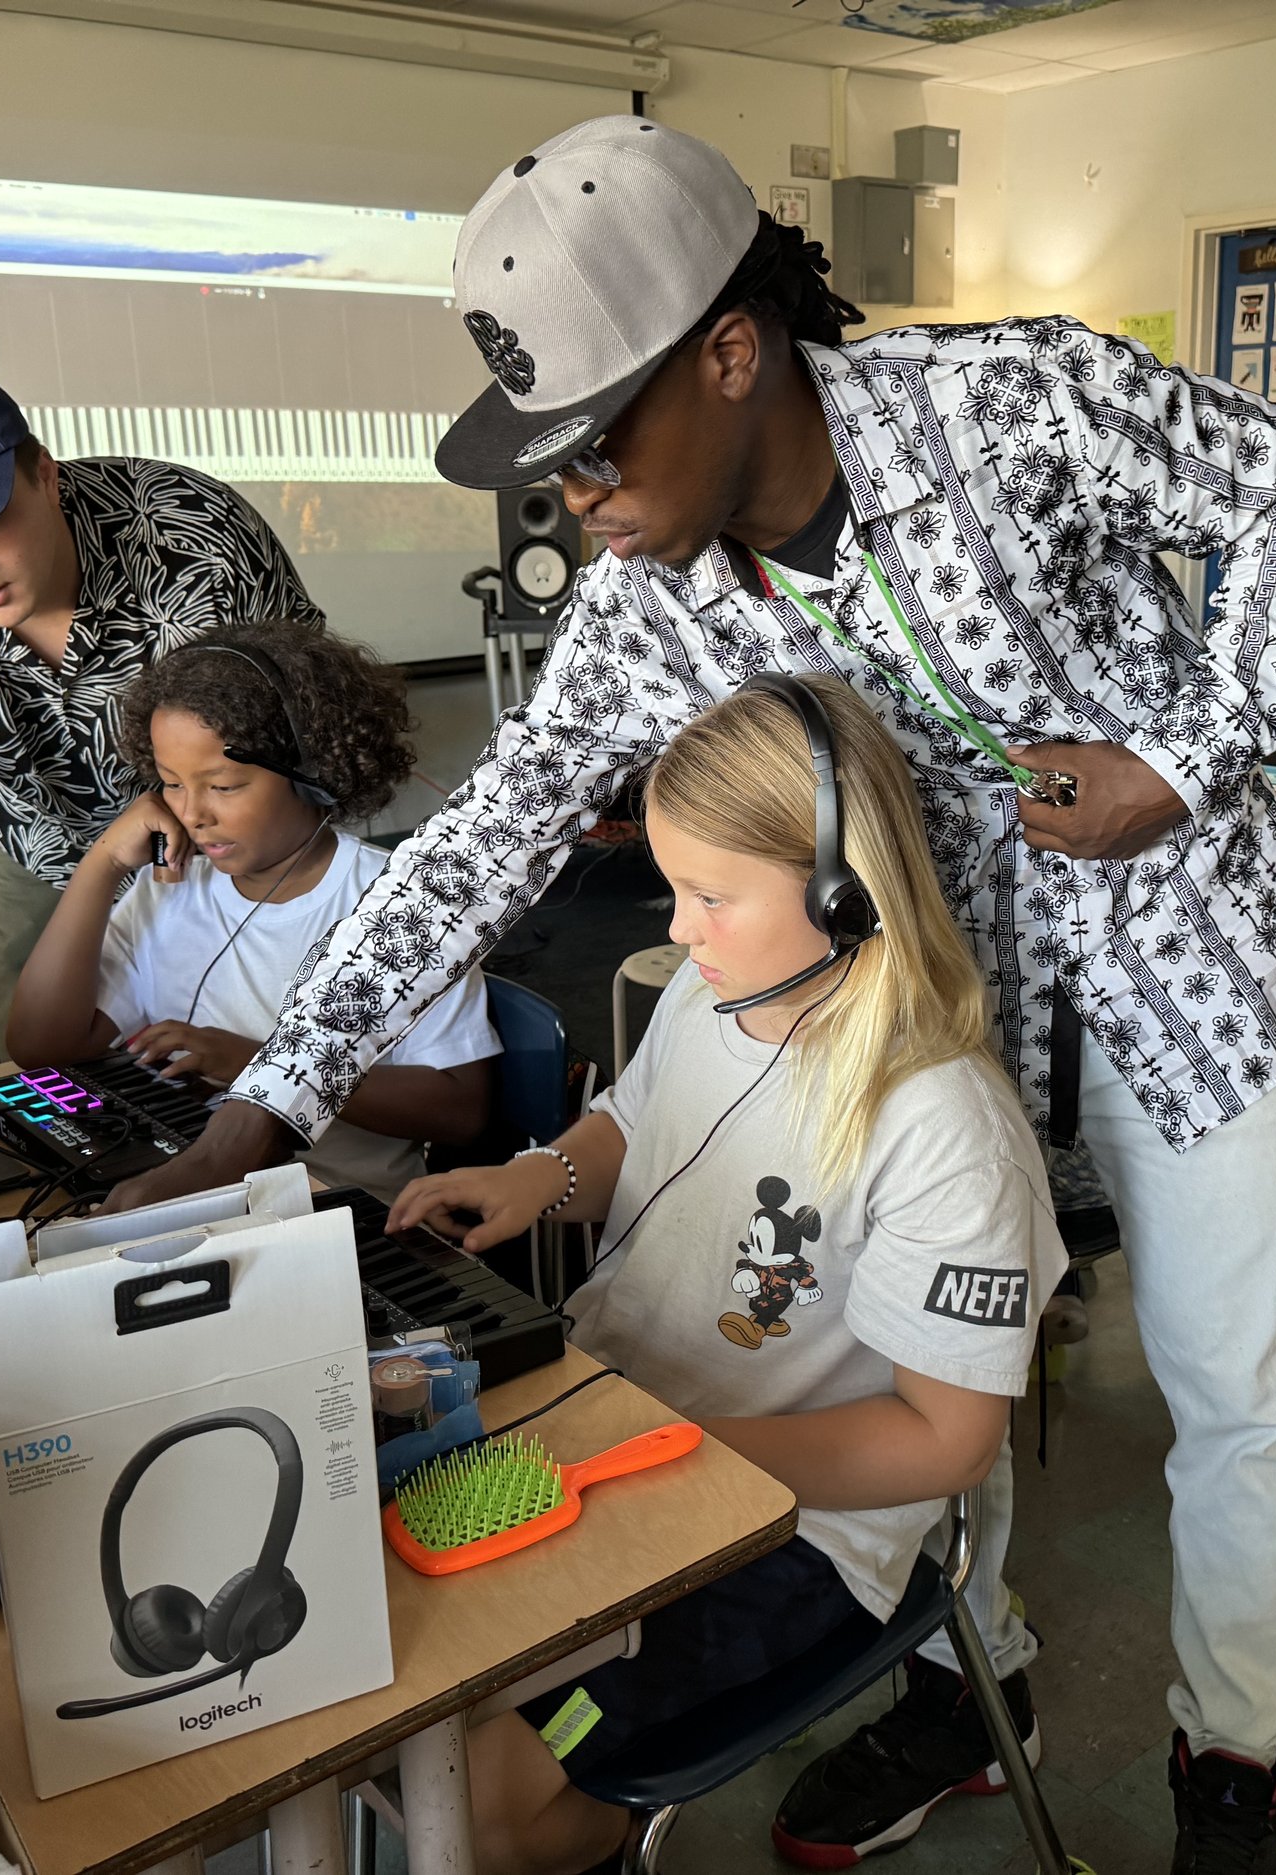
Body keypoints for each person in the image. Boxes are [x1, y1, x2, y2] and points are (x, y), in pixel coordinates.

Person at [114, 117, 1276, 1869]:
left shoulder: (1004, 401)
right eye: (546, 463)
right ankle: (963, 1685)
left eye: (596, 440)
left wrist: (1187, 750)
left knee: (1230, 1398)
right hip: (938, 1023)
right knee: (934, 1346)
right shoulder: (648, 603)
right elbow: (484, 846)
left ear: (731, 350)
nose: (575, 497)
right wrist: (263, 1112)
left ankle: (1238, 1761)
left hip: (1182, 973)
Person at [386, 676, 1064, 1875]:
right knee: (388, 1677)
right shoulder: (718, 996)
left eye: (709, 896)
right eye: (673, 888)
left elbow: (946, 1443)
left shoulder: (940, 1124)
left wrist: (679, 1451)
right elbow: (627, 1132)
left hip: (789, 1524)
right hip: (604, 1434)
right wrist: (534, 1177)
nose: (680, 930)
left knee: (475, 1811)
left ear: (841, 890)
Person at [0, 358, 320, 1037]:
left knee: (257, 1067)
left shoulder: (194, 535)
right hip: (42, 853)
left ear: (44, 477)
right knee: (39, 1090)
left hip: (231, 856)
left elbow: (307, 730)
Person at [3, 621, 497, 1199]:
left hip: (335, 1204)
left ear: (312, 772)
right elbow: (41, 1047)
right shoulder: (173, 882)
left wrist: (261, 1067)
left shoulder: (399, 905)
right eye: (169, 784)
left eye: (224, 786)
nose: (192, 814)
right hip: (188, 1170)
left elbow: (461, 1110)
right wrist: (103, 863)